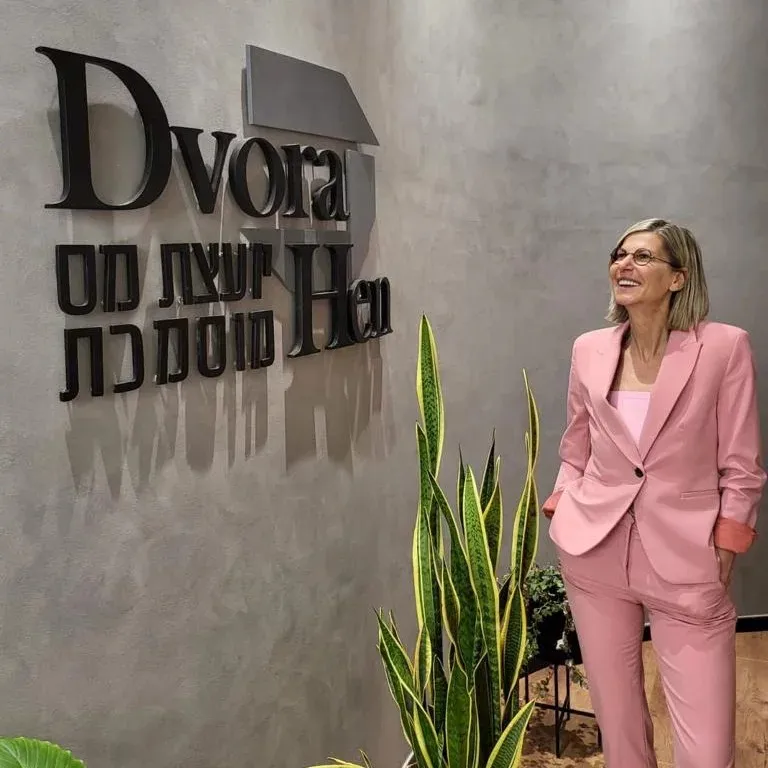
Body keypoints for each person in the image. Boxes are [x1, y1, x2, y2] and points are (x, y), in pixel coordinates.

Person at [542, 218, 766, 768]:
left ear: (678, 277)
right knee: (619, 732)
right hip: (595, 551)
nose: (624, 264)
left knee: (706, 751)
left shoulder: (723, 347)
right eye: (619, 254)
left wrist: (728, 543)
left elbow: (741, 464)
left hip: (687, 557)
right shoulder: (589, 349)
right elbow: (576, 445)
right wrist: (562, 507)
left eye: (642, 256)